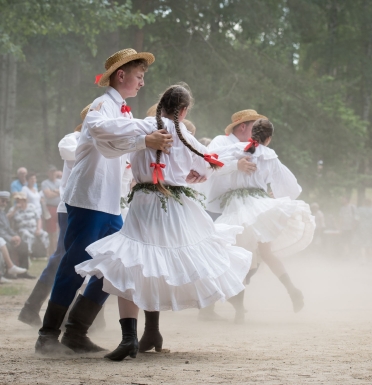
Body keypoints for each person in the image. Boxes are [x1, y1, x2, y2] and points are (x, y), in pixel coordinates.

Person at [76, 83, 251, 361]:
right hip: (177, 207)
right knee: (161, 263)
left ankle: (130, 338)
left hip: (144, 204)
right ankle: (151, 332)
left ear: (161, 105)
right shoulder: (186, 136)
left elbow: (110, 132)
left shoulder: (143, 125)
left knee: (133, 265)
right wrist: (198, 174)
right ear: (184, 111)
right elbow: (209, 164)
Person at [35, 48, 173, 356]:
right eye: (138, 77)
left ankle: (75, 331)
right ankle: (47, 335)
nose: (141, 83)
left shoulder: (122, 110)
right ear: (121, 76)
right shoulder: (102, 105)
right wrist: (147, 130)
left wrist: (145, 141)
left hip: (110, 202)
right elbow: (100, 131)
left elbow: (118, 146)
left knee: (116, 266)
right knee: (74, 263)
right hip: (88, 198)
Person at [204, 118, 314, 322]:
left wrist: (235, 166)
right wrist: (275, 197)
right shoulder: (270, 156)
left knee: (240, 255)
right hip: (260, 205)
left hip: (238, 206)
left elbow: (210, 160)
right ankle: (292, 289)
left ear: (252, 133)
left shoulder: (237, 149)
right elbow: (290, 185)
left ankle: (239, 310)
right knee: (266, 253)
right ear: (269, 138)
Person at [195, 109, 266, 321]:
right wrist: (237, 165)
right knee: (216, 258)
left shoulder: (252, 148)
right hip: (214, 209)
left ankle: (234, 302)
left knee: (245, 257)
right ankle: (218, 309)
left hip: (236, 211)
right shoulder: (220, 141)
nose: (256, 133)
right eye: (254, 127)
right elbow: (210, 162)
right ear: (242, 126)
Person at [19, 105, 86, 326]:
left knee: (84, 258)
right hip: (69, 208)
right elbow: (72, 155)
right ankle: (33, 308)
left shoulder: (103, 143)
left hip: (91, 208)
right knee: (62, 257)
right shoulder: (73, 139)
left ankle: (73, 314)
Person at [0, 191, 34, 278]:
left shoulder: (2, 212)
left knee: (23, 244)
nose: (5, 204)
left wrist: (16, 236)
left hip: (5, 236)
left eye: (7, 201)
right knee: (8, 245)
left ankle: (23, 272)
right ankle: (8, 272)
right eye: (3, 201)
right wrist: (10, 238)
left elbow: (8, 228)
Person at [9, 192, 49, 260]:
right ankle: (29, 255)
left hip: (34, 228)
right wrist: (15, 209)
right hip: (22, 229)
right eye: (17, 199)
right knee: (26, 235)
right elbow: (7, 217)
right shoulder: (13, 209)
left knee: (44, 234)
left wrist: (38, 229)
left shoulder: (32, 207)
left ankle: (46, 254)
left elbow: (38, 218)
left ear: (24, 200)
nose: (18, 201)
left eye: (20, 199)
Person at [353, 197, 372, 262]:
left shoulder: (359, 209)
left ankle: (363, 259)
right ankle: (369, 259)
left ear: (363, 203)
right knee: (369, 245)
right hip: (370, 230)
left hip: (360, 229)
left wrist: (354, 228)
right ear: (371, 204)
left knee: (362, 244)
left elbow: (356, 219)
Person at [41, 166, 61, 255]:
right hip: (50, 208)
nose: (53, 174)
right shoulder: (45, 183)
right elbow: (48, 195)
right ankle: (52, 253)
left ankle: (59, 252)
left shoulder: (60, 182)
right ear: (48, 173)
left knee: (61, 231)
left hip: (60, 207)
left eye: (54, 172)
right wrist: (58, 192)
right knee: (52, 233)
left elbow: (65, 192)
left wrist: (55, 191)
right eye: (51, 172)